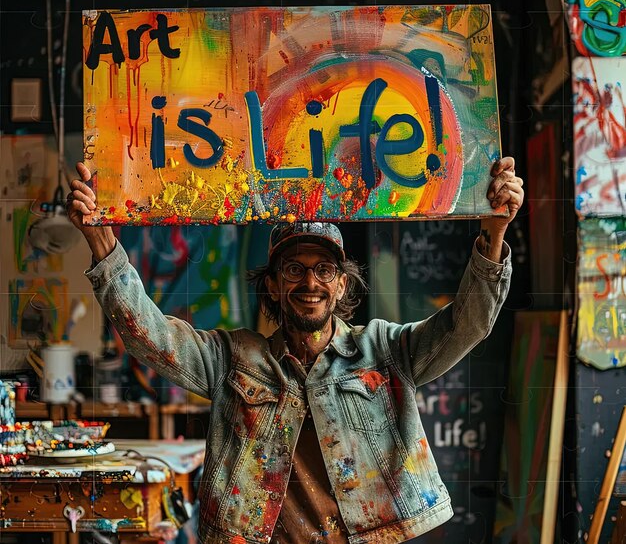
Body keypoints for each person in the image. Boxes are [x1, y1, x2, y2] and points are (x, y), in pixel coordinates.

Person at [67, 157, 524, 544]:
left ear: (342, 283)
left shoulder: (385, 350)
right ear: (272, 283)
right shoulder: (233, 359)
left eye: (325, 269)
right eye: (294, 269)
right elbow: (151, 336)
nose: (310, 283)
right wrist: (102, 242)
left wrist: (494, 234)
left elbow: (468, 324)